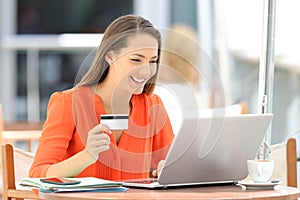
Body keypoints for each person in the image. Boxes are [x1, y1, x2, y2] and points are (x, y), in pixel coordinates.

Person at [29, 14, 174, 181]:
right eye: (136, 60)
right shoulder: (68, 103)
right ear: (110, 56)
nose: (145, 71)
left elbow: (169, 164)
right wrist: (87, 156)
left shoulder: (153, 106)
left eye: (152, 61)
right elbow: (37, 176)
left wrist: (167, 169)